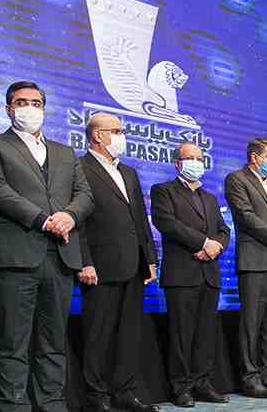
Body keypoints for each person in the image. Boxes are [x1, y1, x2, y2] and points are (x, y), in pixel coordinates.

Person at [0, 81, 94, 412]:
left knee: (53, 341)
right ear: (8, 108)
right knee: (12, 341)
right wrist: (43, 220)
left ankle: (52, 404)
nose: (30, 108)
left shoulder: (65, 152)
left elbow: (84, 194)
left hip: (61, 256)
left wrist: (69, 216)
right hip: (14, 255)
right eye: (21, 102)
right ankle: (14, 407)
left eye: (36, 103)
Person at [78, 112, 159, 412]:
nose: (122, 137)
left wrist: (150, 258)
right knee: (98, 334)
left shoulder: (129, 172)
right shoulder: (78, 167)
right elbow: (78, 221)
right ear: (97, 135)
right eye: (117, 131)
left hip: (134, 264)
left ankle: (125, 391)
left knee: (129, 333)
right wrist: (84, 261)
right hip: (100, 265)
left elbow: (140, 218)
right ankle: (96, 396)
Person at [150, 142, 231, 408]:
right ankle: (181, 387)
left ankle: (202, 383)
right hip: (181, 274)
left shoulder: (210, 197)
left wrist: (216, 246)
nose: (195, 162)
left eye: (199, 158)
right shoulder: (163, 191)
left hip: (209, 273)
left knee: (205, 334)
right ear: (177, 163)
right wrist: (202, 243)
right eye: (190, 158)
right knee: (181, 335)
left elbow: (223, 230)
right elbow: (166, 223)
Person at [224, 137, 267, 398]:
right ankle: (250, 378)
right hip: (254, 262)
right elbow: (246, 216)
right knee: (251, 323)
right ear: (254, 157)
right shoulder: (237, 179)